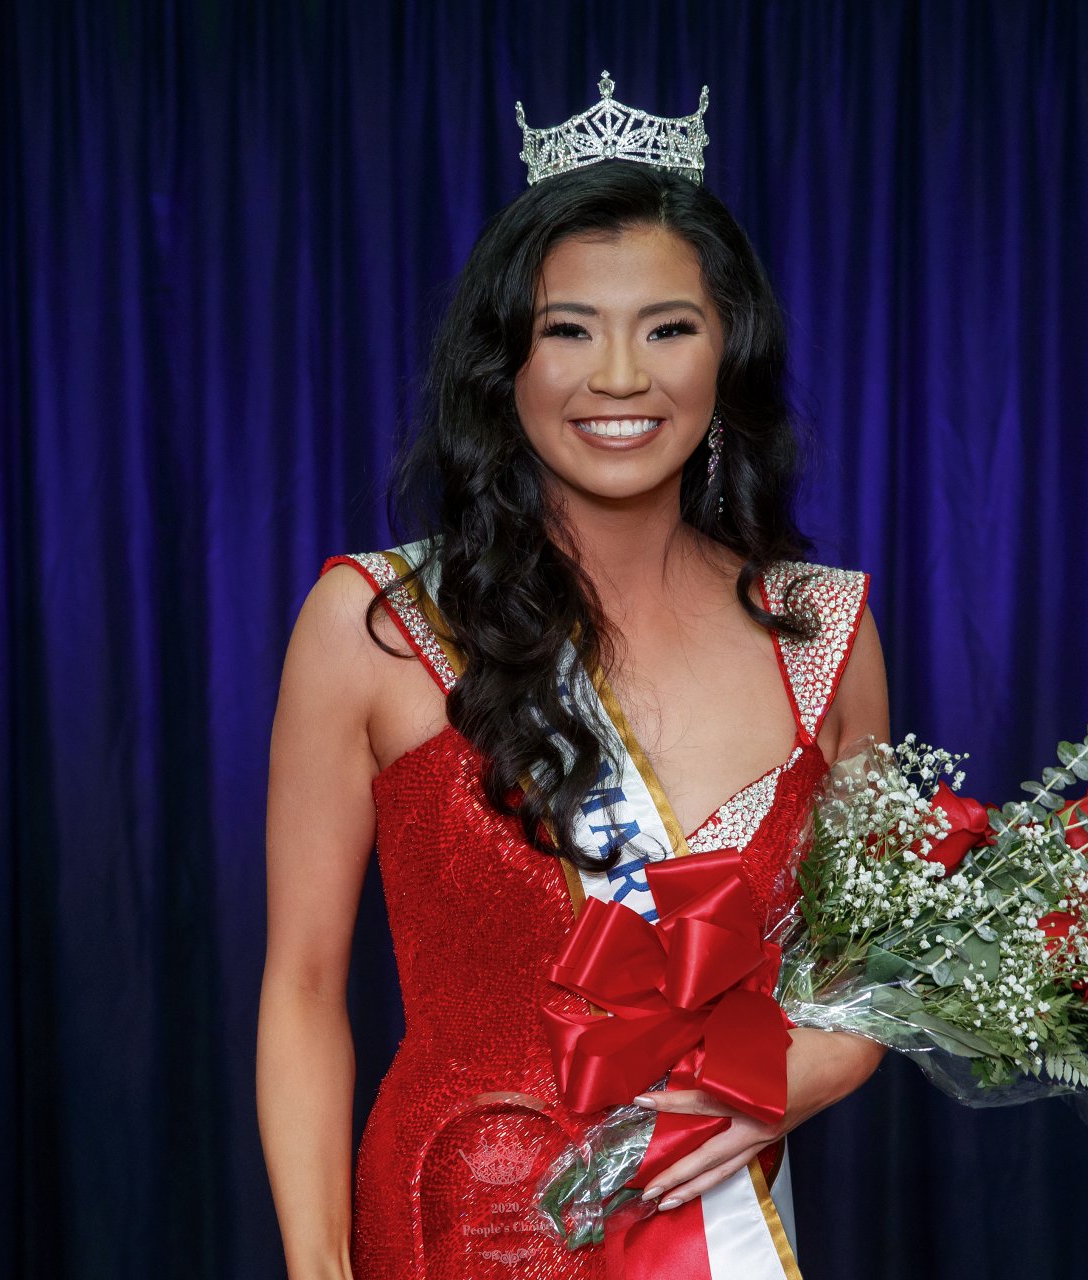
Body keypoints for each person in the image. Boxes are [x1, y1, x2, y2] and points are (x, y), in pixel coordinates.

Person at [258, 73, 890, 1279]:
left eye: (668, 325)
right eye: (568, 328)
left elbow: (855, 980)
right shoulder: (381, 621)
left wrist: (802, 1074)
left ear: (729, 352)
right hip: (455, 1227)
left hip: (717, 1231)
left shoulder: (825, 630)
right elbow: (301, 982)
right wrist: (317, 1263)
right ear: (507, 363)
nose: (617, 377)